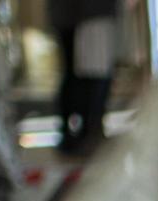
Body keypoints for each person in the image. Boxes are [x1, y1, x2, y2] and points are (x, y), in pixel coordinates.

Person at [47, 0, 118, 156]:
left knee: (80, 75)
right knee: (92, 74)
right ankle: (85, 134)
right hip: (88, 14)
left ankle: (79, 134)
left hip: (79, 14)